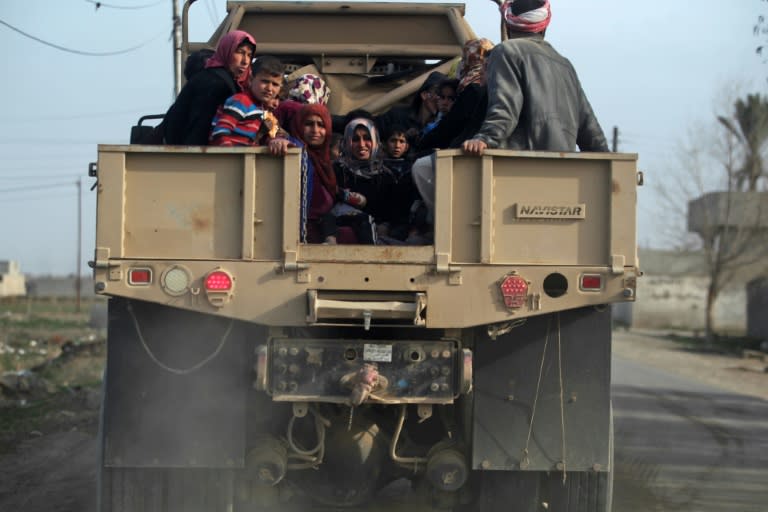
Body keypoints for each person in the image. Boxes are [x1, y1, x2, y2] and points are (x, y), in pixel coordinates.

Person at [462, 0, 609, 156]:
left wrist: (485, 138)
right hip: (562, 167)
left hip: (517, 165)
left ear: (509, 25)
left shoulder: (506, 51)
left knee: (433, 169)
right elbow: (589, 127)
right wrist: (609, 161)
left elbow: (505, 108)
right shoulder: (564, 64)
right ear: (544, 26)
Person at [412, 38, 495, 217]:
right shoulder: (494, 86)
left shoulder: (472, 88)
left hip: (468, 151)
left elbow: (451, 127)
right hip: (484, 151)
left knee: (421, 167)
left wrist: (422, 142)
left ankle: (436, 219)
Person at [163, 30, 257, 145]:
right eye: (240, 52)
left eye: (249, 55)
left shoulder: (220, 77)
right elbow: (200, 128)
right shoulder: (217, 84)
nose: (245, 61)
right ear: (227, 51)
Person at [336, 118, 416, 243]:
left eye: (367, 138)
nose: (362, 144)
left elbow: (395, 212)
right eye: (355, 139)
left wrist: (386, 225)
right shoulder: (337, 170)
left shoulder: (386, 176)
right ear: (347, 142)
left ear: (375, 141)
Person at [209, 56, 284, 146]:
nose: (269, 88)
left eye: (275, 84)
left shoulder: (260, 107)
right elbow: (220, 132)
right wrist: (230, 156)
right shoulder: (241, 101)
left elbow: (255, 139)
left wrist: (274, 141)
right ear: (251, 79)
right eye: (265, 81)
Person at [375, 71, 446, 143]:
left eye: (446, 97)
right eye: (438, 93)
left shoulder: (442, 124)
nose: (442, 99)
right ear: (424, 95)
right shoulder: (395, 115)